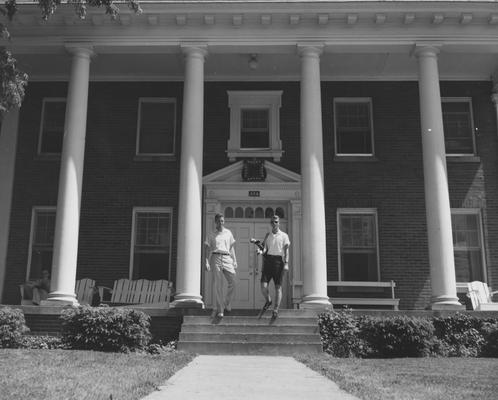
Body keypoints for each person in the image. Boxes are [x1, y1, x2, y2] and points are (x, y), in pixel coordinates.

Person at [257, 214, 290, 319]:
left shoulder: (284, 236)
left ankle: (276, 309)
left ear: (279, 223)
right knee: (263, 286)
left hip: (278, 262)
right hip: (268, 261)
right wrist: (260, 251)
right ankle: (268, 300)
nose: (274, 223)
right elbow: (265, 249)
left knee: (278, 287)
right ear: (270, 223)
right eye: (272, 222)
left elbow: (286, 251)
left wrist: (286, 263)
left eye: (276, 222)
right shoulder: (268, 235)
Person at [204, 213, 237, 319]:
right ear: (215, 222)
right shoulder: (211, 234)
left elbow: (231, 247)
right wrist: (206, 262)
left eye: (222, 221)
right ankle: (220, 309)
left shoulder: (228, 233)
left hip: (227, 257)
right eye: (219, 221)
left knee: (233, 281)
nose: (221, 223)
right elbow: (207, 249)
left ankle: (226, 302)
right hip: (215, 257)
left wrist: (234, 260)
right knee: (218, 284)